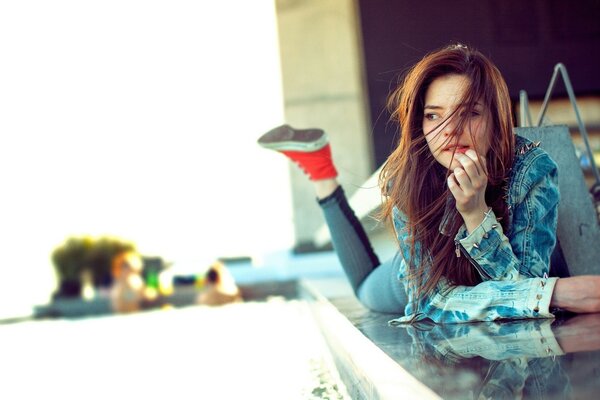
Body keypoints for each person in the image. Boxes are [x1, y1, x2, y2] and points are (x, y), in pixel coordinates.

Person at [258, 44, 600, 324]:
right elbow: (431, 303)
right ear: (419, 123)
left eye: (468, 113)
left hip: (461, 280)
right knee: (364, 289)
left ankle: (317, 162)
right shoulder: (406, 175)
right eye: (433, 115)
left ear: (497, 120)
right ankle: (321, 169)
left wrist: (477, 214)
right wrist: (552, 294)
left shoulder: (532, 170)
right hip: (417, 270)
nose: (449, 131)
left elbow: (521, 290)